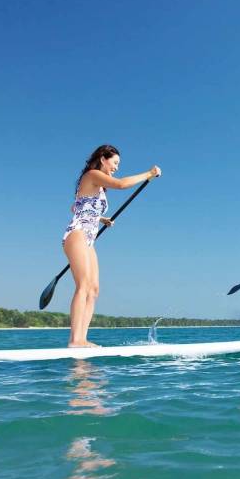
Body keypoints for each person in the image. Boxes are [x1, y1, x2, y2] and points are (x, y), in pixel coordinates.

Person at [63, 144, 161, 347]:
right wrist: (148, 173)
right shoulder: (92, 175)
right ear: (103, 159)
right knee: (83, 286)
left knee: (94, 290)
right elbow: (122, 184)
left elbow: (76, 207)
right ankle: (75, 340)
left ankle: (82, 338)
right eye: (115, 162)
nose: (116, 167)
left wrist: (101, 219)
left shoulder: (97, 186)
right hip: (77, 234)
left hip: (89, 238)